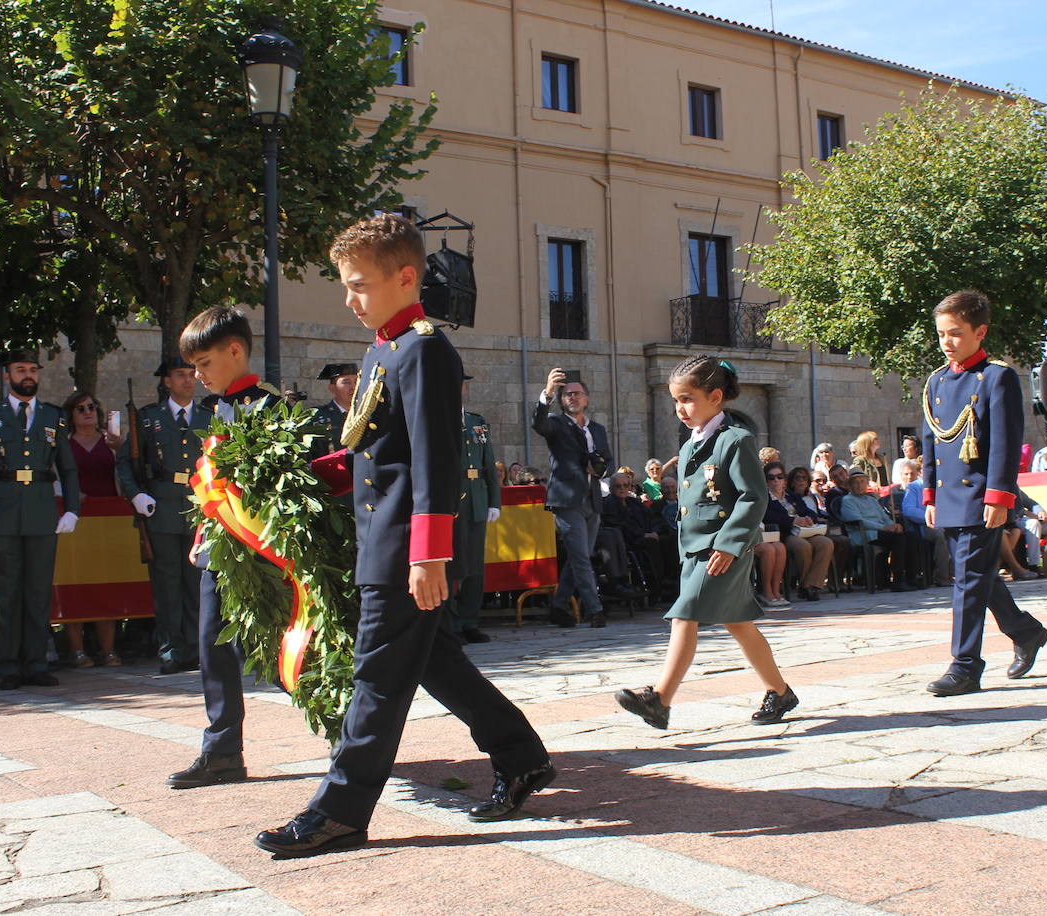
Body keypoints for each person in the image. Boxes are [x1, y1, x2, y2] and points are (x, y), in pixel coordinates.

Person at [258, 214, 551, 857]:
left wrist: (428, 555)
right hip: (382, 540)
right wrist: (291, 475)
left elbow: (434, 458)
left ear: (406, 277)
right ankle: (521, 754)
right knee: (434, 662)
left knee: (377, 678)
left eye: (360, 284)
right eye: (346, 285)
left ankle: (339, 811)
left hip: (403, 549)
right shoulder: (383, 349)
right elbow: (376, 453)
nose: (349, 298)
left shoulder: (423, 349)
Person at [615, 356, 797, 730]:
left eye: (687, 399)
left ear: (715, 396)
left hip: (723, 549)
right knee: (739, 624)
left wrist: (730, 544)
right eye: (675, 401)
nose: (680, 408)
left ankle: (659, 699)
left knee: (685, 615)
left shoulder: (736, 440)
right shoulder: (688, 446)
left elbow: (752, 497)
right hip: (697, 548)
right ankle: (779, 692)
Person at [165, 309, 283, 789]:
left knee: (279, 652)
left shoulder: (268, 406)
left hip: (259, 549)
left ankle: (347, 735)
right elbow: (209, 484)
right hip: (222, 545)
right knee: (213, 646)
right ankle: (222, 751)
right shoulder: (216, 409)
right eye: (192, 365)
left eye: (205, 362)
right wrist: (201, 536)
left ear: (235, 350)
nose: (198, 375)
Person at [920, 291, 1047, 696]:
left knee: (969, 579)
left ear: (980, 332)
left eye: (956, 334)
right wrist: (928, 496)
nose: (947, 342)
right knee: (976, 577)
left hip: (980, 496)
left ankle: (965, 665)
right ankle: (1026, 632)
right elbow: (930, 443)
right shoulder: (937, 380)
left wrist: (999, 497)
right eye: (941, 334)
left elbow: (1006, 444)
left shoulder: (997, 376)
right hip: (949, 498)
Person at [0, 350, 81, 691]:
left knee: (38, 592)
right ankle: (9, 666)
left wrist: (71, 509)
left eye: (32, 370)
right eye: (20, 370)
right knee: (7, 593)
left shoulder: (54, 417)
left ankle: (37, 663)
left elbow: (67, 468)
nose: (28, 375)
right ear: (6, 376)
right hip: (3, 511)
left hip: (42, 511)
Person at [118, 357, 212, 675]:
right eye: (180, 375)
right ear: (167, 382)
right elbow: (125, 465)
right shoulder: (148, 419)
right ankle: (172, 649)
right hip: (161, 506)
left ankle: (198, 648)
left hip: (198, 507)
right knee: (167, 583)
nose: (188, 380)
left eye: (191, 374)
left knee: (196, 582)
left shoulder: (207, 417)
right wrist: (136, 495)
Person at [533, 368, 613, 628]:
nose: (572, 398)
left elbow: (609, 462)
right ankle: (594, 609)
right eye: (567, 394)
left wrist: (600, 469)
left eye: (577, 394)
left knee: (581, 555)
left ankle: (558, 606)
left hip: (593, 499)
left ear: (586, 399)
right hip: (567, 500)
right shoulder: (556, 423)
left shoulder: (598, 429)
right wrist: (547, 393)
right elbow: (539, 424)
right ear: (562, 398)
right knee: (580, 557)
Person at [62, 391, 124, 668]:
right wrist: (71, 496)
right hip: (75, 521)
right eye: (81, 408)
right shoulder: (63, 444)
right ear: (71, 415)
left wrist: (121, 447)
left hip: (109, 522)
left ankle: (108, 649)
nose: (88, 412)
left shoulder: (110, 442)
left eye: (92, 407)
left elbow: (128, 471)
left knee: (106, 586)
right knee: (74, 586)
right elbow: (56, 475)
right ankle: (77, 651)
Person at [447, 373, 501, 644]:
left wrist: (494, 501)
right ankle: (450, 622)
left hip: (477, 500)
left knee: (474, 567)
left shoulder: (476, 422)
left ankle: (469, 620)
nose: (459, 389)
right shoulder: (436, 420)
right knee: (449, 565)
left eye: (462, 384)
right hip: (449, 501)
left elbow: (489, 464)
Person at [838, 468, 921, 591]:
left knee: (910, 536)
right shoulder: (847, 500)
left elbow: (884, 517)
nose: (860, 485)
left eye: (862, 481)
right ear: (850, 485)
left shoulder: (872, 500)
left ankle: (911, 577)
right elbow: (859, 521)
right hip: (864, 533)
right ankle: (898, 579)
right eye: (856, 482)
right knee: (898, 539)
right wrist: (884, 527)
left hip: (881, 532)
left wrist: (893, 525)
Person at [763, 461, 834, 600]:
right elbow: (768, 517)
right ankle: (806, 587)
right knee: (803, 546)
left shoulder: (792, 496)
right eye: (771, 478)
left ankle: (810, 585)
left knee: (826, 543)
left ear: (784, 479)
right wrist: (793, 521)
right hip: (786, 533)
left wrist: (808, 518)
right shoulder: (765, 498)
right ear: (766, 481)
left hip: (805, 530)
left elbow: (808, 511)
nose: (776, 480)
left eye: (780, 477)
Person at [900, 460, 950, 587]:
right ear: (921, 472)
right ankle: (941, 577)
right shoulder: (914, 487)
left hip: (946, 522)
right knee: (941, 535)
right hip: (925, 525)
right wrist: (930, 518)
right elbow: (909, 510)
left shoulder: (942, 485)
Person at [311, 362, 358, 456]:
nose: (353, 387)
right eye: (346, 382)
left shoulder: (366, 415)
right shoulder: (318, 417)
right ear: (332, 388)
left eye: (356, 382)